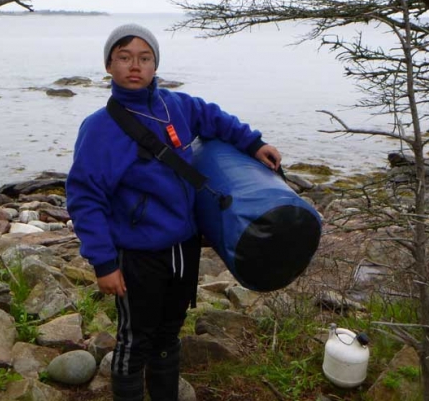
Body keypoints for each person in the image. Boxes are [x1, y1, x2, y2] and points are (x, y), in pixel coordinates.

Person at [66, 24, 282, 401]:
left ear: (155, 65)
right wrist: (103, 263)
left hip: (183, 246)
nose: (135, 66)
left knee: (169, 333)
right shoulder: (99, 128)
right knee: (136, 338)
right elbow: (85, 197)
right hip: (137, 252)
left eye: (144, 58)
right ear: (109, 65)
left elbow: (215, 119)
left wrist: (253, 143)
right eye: (125, 57)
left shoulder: (176, 106)